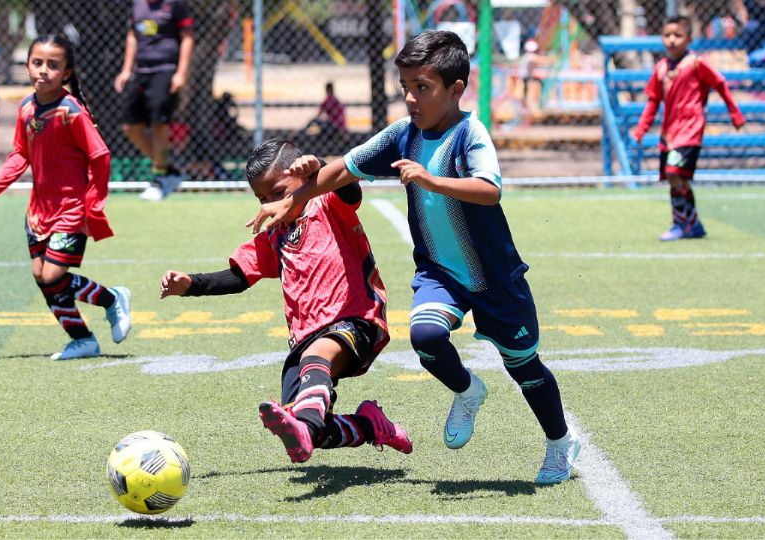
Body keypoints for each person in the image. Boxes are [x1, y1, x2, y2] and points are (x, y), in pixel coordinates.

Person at [248, 31, 580, 485]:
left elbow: (490, 189)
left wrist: (431, 180)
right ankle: (467, 390)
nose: (410, 98)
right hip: (440, 272)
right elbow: (343, 168)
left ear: (456, 89)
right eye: (405, 86)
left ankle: (560, 442)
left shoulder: (470, 133)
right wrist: (293, 199)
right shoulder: (403, 134)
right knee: (425, 336)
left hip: (495, 277)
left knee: (523, 366)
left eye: (422, 87)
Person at [160, 138, 412, 464]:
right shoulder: (274, 234)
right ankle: (370, 426)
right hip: (304, 338)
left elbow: (348, 186)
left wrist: (319, 168)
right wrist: (191, 284)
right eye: (262, 198)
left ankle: (312, 417)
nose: (270, 204)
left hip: (355, 317)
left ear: (304, 180)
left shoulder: (327, 202)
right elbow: (239, 276)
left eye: (278, 193)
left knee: (317, 359)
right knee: (308, 426)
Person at [0, 34, 131, 360]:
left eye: (53, 65)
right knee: (41, 276)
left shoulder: (70, 111)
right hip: (37, 212)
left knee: (52, 276)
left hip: (70, 209)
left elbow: (100, 155)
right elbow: (20, 155)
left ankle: (112, 299)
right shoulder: (26, 108)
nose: (43, 70)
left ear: (66, 73)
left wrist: (93, 203)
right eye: (37, 62)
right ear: (28, 66)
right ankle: (82, 340)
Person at [633, 16, 745, 241]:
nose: (672, 40)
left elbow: (720, 83)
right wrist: (641, 129)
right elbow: (653, 101)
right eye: (667, 35)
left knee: (673, 173)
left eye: (678, 35)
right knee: (679, 179)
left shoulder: (696, 63)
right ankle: (693, 224)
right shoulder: (661, 68)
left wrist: (735, 113)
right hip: (669, 133)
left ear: (689, 39)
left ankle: (681, 224)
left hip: (690, 130)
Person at [113, 0, 195, 201]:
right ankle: (168, 170)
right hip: (141, 71)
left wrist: (181, 73)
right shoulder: (137, 5)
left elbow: (187, 37)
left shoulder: (175, 5)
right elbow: (132, 34)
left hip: (166, 70)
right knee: (130, 126)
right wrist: (126, 70)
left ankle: (160, 178)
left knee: (159, 124)